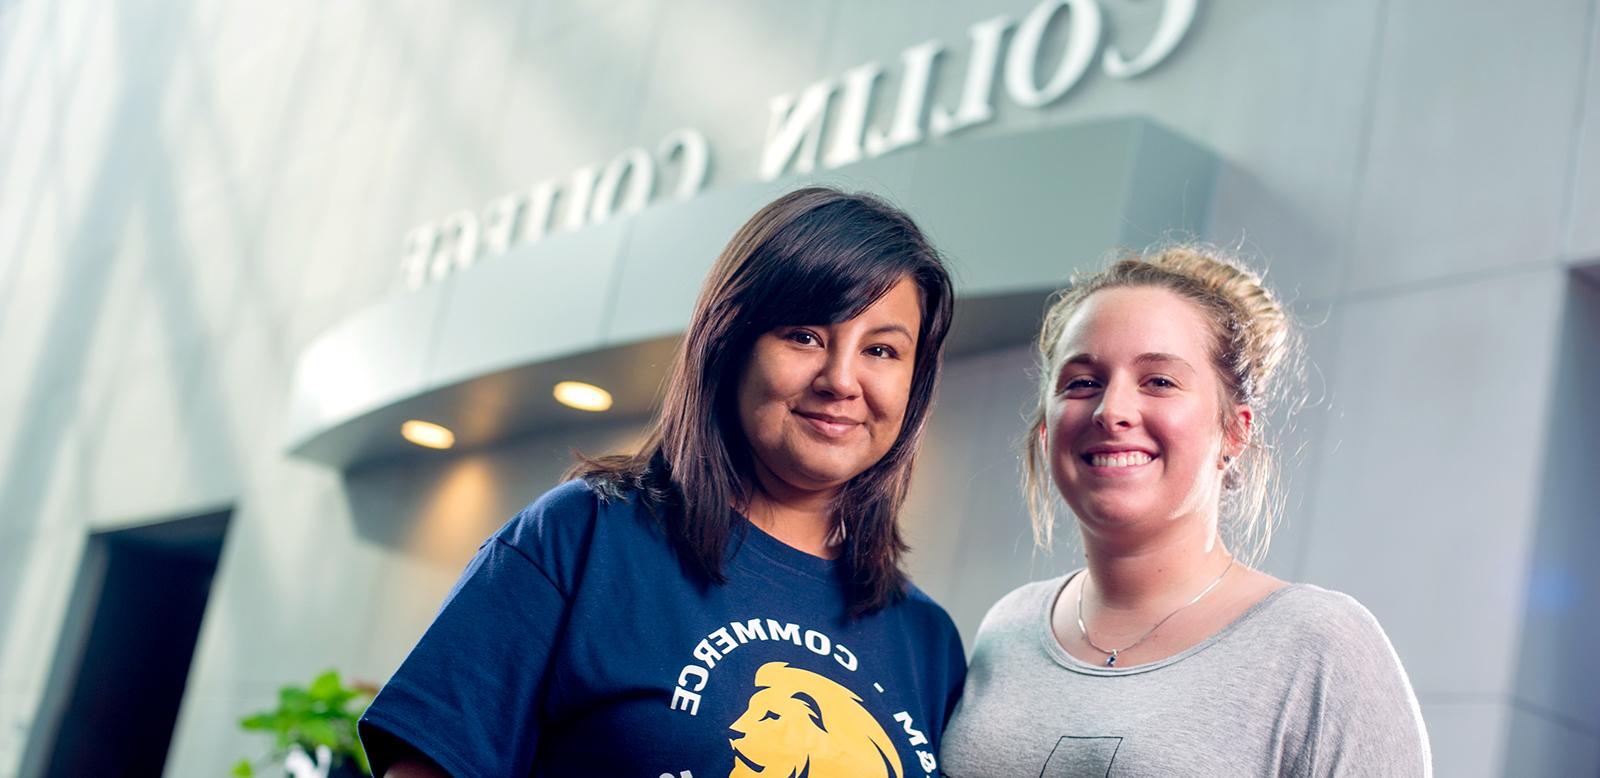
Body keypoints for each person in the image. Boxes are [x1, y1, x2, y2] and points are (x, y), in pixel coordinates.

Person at [359, 187, 966, 778]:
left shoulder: (928, 640)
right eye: (805, 336)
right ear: (730, 344)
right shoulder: (579, 540)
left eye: (882, 351)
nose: (840, 379)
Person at [940, 245, 1431, 775]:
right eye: (1082, 383)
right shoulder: (1008, 627)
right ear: (1046, 430)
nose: (1112, 411)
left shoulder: (1320, 646)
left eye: (1159, 381)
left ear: (1235, 430)